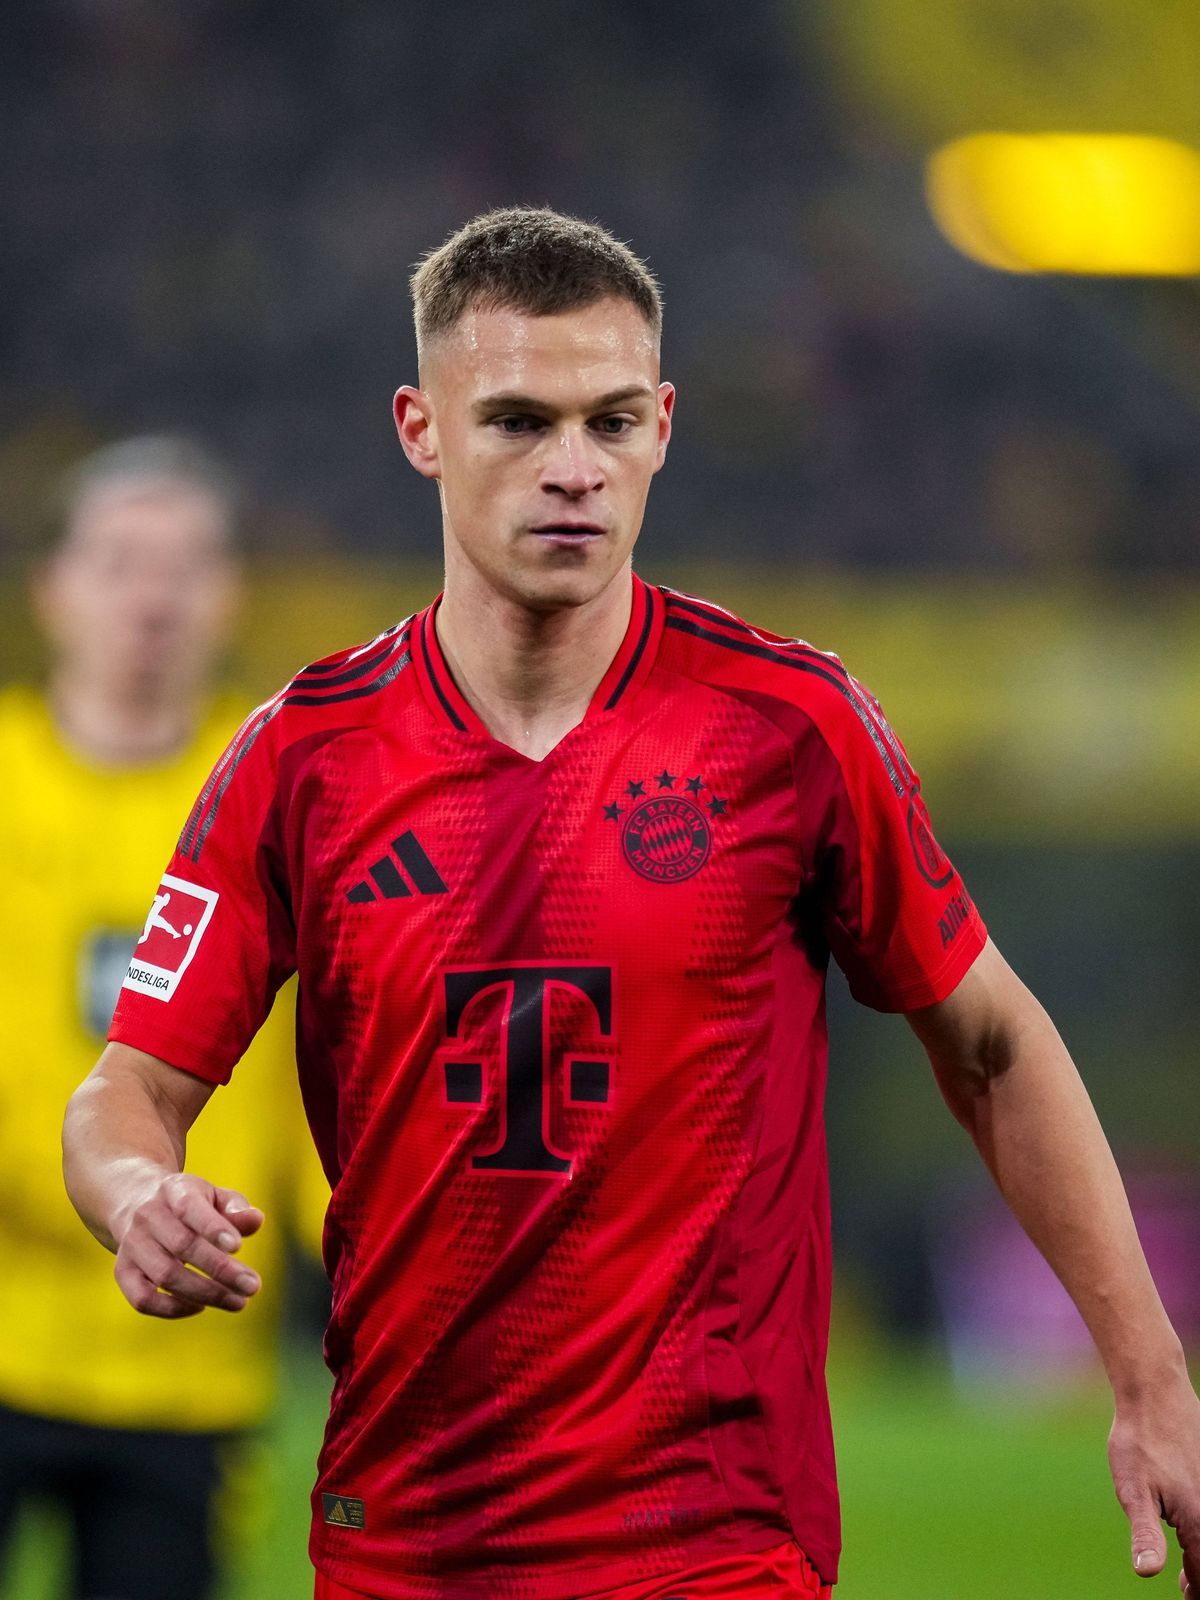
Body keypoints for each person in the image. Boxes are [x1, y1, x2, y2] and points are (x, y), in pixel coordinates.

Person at [63, 211, 1200, 1600]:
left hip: (715, 1545)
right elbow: (129, 1090)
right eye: (520, 423)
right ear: (422, 429)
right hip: (405, 1543)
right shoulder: (301, 759)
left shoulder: (788, 728)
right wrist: (133, 1196)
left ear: (665, 425)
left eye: (610, 423)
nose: (573, 472)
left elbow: (995, 1043)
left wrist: (1153, 1376)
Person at [2, 437, 323, 1600]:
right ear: (53, 587)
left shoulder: (292, 798)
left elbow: (332, 1068)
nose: (154, 595)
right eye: (121, 561)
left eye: (185, 565)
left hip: (189, 1356)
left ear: (228, 595)